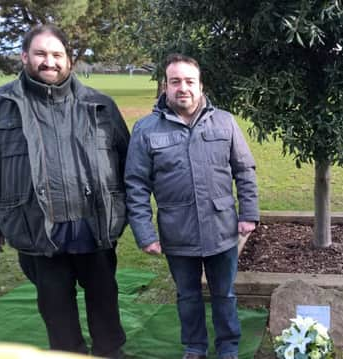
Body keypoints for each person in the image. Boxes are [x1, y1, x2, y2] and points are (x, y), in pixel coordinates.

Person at [0, 25, 129, 358]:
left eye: (57, 55)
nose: (49, 62)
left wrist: (126, 213)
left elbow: (128, 164)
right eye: (40, 54)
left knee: (105, 298)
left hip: (94, 227)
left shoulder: (100, 105)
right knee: (56, 309)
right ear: (24, 56)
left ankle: (110, 352)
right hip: (37, 228)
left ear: (69, 60)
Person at [125, 53, 259, 359]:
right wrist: (145, 233)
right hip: (177, 233)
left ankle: (228, 347)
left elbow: (244, 170)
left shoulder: (224, 121)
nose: (182, 88)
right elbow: (136, 184)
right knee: (187, 296)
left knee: (224, 295)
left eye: (189, 81)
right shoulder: (146, 129)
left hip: (222, 229)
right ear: (165, 87)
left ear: (200, 86)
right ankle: (195, 347)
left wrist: (249, 213)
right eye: (175, 82)